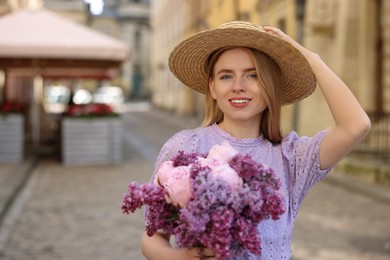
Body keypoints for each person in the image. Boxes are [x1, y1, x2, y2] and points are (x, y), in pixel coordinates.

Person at [141, 21, 371, 259]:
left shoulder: (292, 157)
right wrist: (184, 257)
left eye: (253, 75)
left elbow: (357, 126)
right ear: (212, 87)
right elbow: (152, 237)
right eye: (226, 76)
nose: (238, 86)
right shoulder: (185, 146)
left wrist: (311, 59)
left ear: (270, 85)